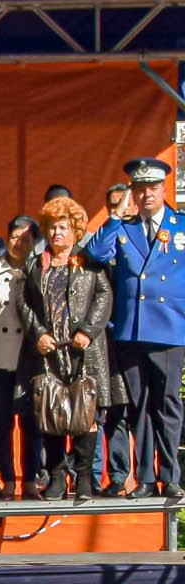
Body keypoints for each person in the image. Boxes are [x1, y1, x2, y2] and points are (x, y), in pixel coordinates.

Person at [84, 157, 185, 498]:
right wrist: (115, 216)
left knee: (167, 403)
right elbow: (96, 254)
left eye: (152, 188)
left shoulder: (180, 225)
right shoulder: (124, 228)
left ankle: (169, 475)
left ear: (164, 189)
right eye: (139, 190)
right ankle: (144, 478)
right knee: (138, 405)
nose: (146, 196)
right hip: (131, 329)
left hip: (170, 328)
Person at [21, 196, 113, 500]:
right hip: (50, 351)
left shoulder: (89, 262)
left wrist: (87, 331)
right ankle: (58, 476)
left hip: (83, 350)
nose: (56, 233)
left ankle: (84, 477)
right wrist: (38, 333)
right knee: (52, 411)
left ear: (75, 230)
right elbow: (23, 303)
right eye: (51, 228)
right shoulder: (37, 264)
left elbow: (104, 297)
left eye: (63, 227)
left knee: (86, 415)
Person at [0, 216, 40, 497]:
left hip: (30, 357)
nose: (20, 243)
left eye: (26, 238)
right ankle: (6, 478)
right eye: (15, 236)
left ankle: (30, 479)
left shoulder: (41, 269)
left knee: (32, 423)